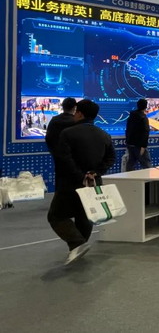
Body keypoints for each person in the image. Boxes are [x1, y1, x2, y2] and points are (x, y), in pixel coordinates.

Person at [47, 100, 116, 265]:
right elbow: (111, 158)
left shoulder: (67, 133)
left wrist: (80, 176)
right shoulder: (104, 135)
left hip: (70, 184)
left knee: (56, 216)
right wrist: (94, 173)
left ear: (79, 113)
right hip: (92, 183)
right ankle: (78, 248)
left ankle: (77, 244)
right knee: (84, 215)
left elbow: (65, 159)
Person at [125, 99, 151, 171]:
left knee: (130, 163)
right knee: (146, 165)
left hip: (130, 144)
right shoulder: (143, 118)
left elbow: (127, 130)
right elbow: (145, 132)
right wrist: (143, 146)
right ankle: (149, 178)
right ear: (145, 107)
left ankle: (128, 176)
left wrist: (128, 142)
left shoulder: (131, 116)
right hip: (139, 146)